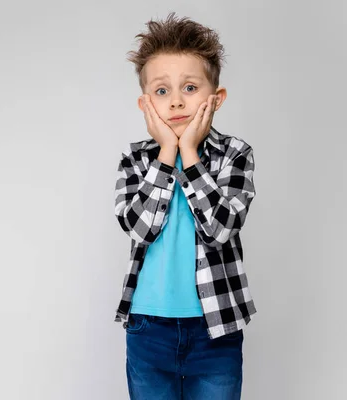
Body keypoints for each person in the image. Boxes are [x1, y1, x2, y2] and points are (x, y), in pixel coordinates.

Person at [113, 12, 257, 399]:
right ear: (146, 104)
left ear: (216, 98)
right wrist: (166, 154)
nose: (176, 101)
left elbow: (220, 229)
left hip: (215, 328)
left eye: (190, 87)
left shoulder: (234, 155)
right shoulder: (135, 160)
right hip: (148, 329)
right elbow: (140, 229)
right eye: (162, 91)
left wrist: (189, 153)